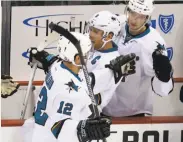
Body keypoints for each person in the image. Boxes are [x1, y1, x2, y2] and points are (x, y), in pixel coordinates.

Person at [24, 32, 137, 142]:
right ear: (77, 59)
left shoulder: (60, 66)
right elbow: (58, 127)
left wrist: (113, 72)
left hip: (41, 133)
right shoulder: (66, 91)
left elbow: (87, 82)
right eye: (86, 54)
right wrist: (85, 130)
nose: (88, 56)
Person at [102, 0, 174, 117]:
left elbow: (163, 90)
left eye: (140, 16)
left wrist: (164, 76)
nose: (134, 20)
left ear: (147, 17)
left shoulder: (154, 43)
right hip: (105, 106)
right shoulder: (116, 25)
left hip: (133, 112)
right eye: (132, 13)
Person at [86, 10, 136, 109]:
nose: (90, 34)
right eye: (91, 29)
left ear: (109, 36)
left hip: (85, 115)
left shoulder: (113, 64)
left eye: (95, 31)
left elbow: (86, 89)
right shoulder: (90, 47)